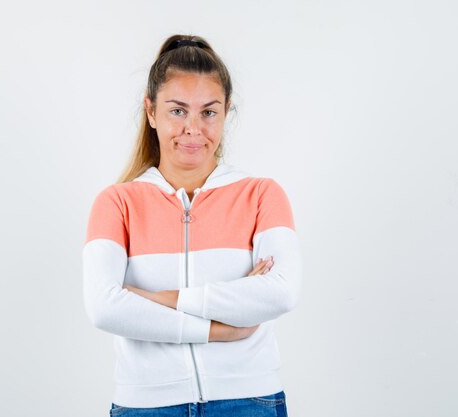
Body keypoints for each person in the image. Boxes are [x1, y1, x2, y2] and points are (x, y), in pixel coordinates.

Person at [82, 34, 302, 417]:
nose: (194, 128)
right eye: (178, 111)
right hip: (147, 406)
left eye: (209, 112)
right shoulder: (117, 203)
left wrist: (159, 298)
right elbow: (105, 309)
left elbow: (280, 293)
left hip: (250, 401)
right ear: (151, 112)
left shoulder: (261, 195)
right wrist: (220, 329)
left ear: (226, 111)